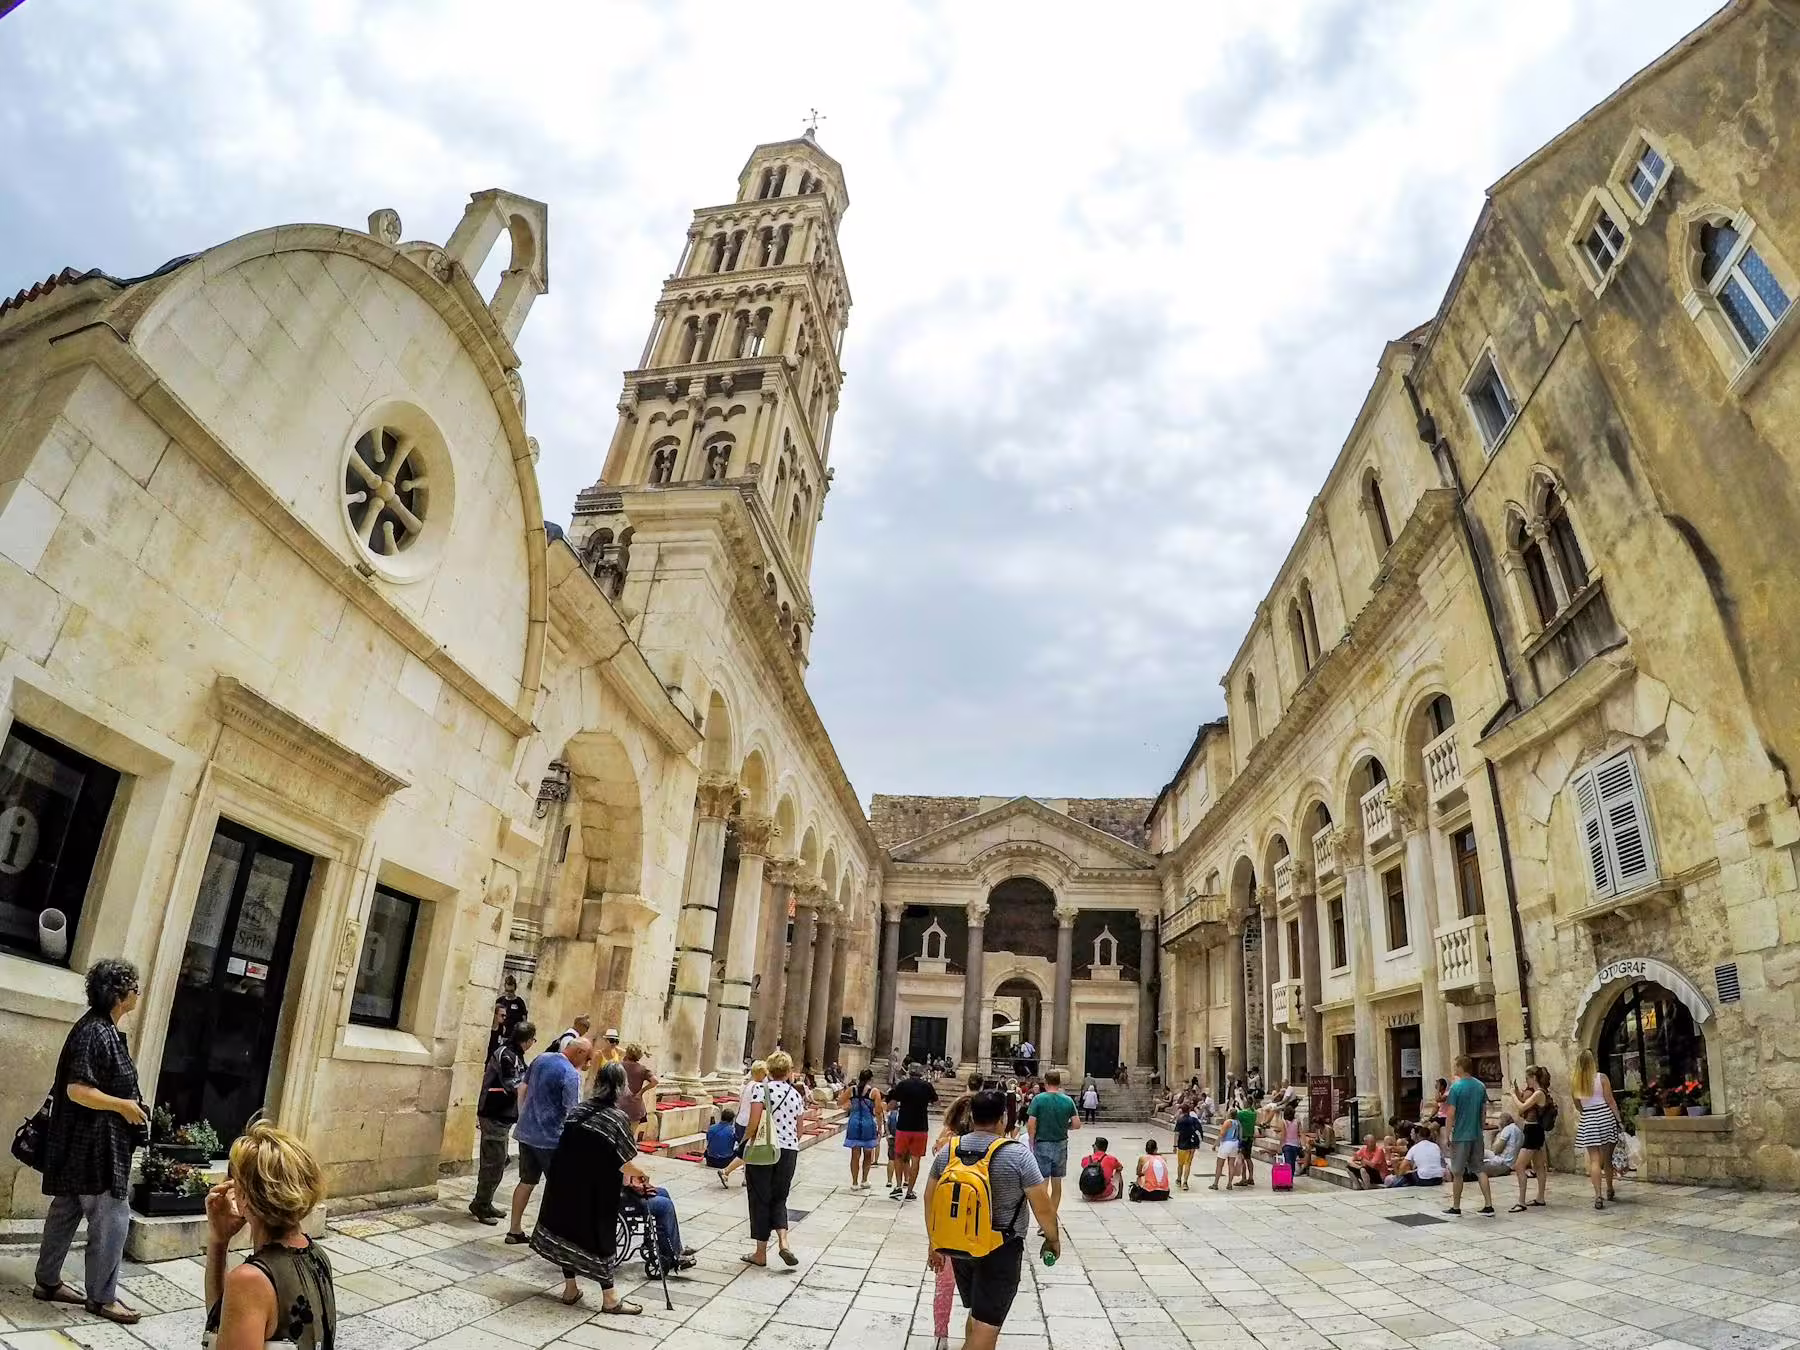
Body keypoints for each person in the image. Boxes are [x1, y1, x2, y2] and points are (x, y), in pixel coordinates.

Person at [34, 958, 147, 1325]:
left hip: (81, 1143)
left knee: (65, 1210)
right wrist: (125, 1107)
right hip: (94, 1145)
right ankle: (102, 1298)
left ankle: (48, 1282)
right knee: (112, 1219)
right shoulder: (95, 1032)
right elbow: (77, 1090)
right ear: (118, 994)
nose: (137, 993)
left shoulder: (100, 1030)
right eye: (133, 987)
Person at [531, 1061, 692, 1314]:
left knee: (565, 1234)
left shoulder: (577, 1111)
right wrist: (642, 1174)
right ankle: (610, 1299)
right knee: (600, 1239)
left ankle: (570, 1289)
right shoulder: (617, 1119)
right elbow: (624, 1163)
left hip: (563, 1187)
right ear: (620, 1088)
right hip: (595, 1193)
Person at [923, 1089, 1061, 1350]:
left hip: (958, 1246)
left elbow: (930, 1199)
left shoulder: (950, 1150)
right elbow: (1042, 1206)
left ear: (972, 1117)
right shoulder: (1017, 1155)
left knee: (977, 1314)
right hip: (1000, 1249)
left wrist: (934, 1243)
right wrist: (1053, 1239)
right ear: (1003, 1118)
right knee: (987, 1325)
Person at [202, 1120, 334, 1348]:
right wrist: (219, 1241)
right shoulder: (317, 1256)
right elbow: (224, 1321)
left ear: (243, 1197)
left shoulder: (250, 1281)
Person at [505, 1035, 592, 1243]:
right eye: (587, 1058)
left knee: (526, 1181)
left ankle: (514, 1230)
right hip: (550, 1139)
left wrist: (523, 1116)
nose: (587, 1064)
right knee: (559, 1188)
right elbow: (573, 1112)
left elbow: (523, 1088)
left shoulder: (541, 1058)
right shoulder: (570, 1074)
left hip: (526, 1132)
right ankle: (550, 1236)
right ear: (579, 1052)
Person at [742, 1050, 806, 1268]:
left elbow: (754, 1121)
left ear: (768, 1070)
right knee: (780, 1198)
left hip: (764, 1149)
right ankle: (783, 1242)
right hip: (789, 1150)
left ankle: (760, 1253)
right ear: (788, 1072)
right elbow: (799, 1129)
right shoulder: (796, 1095)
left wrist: (744, 1142)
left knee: (760, 1197)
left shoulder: (761, 1089)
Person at [471, 1019, 535, 1223]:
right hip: (494, 1114)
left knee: (498, 1160)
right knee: (494, 1162)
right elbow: (513, 1085)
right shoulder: (506, 1055)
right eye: (533, 1039)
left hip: (501, 1116)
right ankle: (480, 1205)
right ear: (526, 1040)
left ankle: (485, 1201)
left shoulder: (514, 1054)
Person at [1443, 1055, 1494, 1216]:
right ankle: (1488, 1205)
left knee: (1458, 1172)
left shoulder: (1456, 1088)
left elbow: (1451, 1114)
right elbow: (1483, 1111)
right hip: (1476, 1134)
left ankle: (1456, 1207)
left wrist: (1447, 1135)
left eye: (1455, 1065)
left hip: (1461, 1135)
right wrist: (1480, 1128)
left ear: (1460, 1067)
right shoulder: (1480, 1086)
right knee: (1479, 1169)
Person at [1572, 1047, 1621, 1210]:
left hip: (1589, 1119)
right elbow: (1611, 1101)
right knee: (1607, 1157)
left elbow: (1578, 1106)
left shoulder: (1576, 1082)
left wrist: (1588, 1112)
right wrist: (1619, 1120)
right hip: (1605, 1116)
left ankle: (1597, 1195)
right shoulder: (1601, 1078)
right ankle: (1609, 1188)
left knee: (1594, 1159)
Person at [1025, 1069, 1078, 1209]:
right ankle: (1053, 1215)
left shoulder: (1039, 1099)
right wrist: (1065, 1127)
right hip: (1061, 1143)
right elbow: (1077, 1124)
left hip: (1042, 1143)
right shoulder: (1067, 1100)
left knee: (1043, 1183)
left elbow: (1031, 1123)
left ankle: (1045, 1221)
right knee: (1057, 1183)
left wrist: (1031, 1140)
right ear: (1059, 1082)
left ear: (1045, 1082)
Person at [888, 1061, 939, 1201]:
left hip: (903, 1125)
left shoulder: (903, 1085)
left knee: (898, 1156)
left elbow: (892, 1104)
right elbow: (936, 1102)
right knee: (916, 1159)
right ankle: (910, 1191)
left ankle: (898, 1186)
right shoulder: (927, 1086)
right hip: (921, 1127)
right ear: (921, 1072)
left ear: (909, 1071)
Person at [1506, 1065, 1552, 1211]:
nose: (1526, 1081)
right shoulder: (1537, 1093)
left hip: (1533, 1131)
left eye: (1527, 1078)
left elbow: (1522, 1107)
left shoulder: (1539, 1093)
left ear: (1533, 1078)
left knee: (1519, 1166)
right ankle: (1540, 1198)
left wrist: (1513, 1095)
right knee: (1538, 1166)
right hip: (1533, 1130)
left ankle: (1521, 1202)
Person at [721, 1060, 767, 1185]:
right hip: (749, 1122)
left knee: (748, 1151)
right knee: (747, 1152)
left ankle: (747, 1178)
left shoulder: (747, 1085)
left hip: (740, 1120)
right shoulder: (758, 1087)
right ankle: (726, 1171)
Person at [840, 1068, 884, 1191]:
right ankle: (864, 1179)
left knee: (855, 1154)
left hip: (854, 1122)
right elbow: (879, 1112)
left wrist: (850, 1104)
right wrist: (880, 1128)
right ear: (871, 1079)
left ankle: (854, 1182)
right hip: (868, 1123)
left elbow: (840, 1102)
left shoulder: (852, 1089)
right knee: (868, 1153)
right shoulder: (874, 1092)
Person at [619, 1043, 658, 1141]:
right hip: (634, 1105)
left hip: (619, 1103)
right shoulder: (642, 1069)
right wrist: (641, 1092)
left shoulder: (618, 1066)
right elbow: (655, 1081)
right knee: (630, 1135)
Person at [489, 974, 528, 1061]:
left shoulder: (519, 1002)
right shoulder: (500, 1000)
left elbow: (524, 1021)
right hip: (499, 1036)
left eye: (511, 991)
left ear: (515, 989)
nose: (509, 993)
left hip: (513, 1038)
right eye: (507, 991)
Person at [1080, 1136, 1125, 1200]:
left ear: (1095, 1147)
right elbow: (1120, 1168)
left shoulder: (1086, 1159)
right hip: (1106, 1195)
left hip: (1087, 1195)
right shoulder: (1111, 1159)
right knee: (1118, 1171)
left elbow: (1083, 1166)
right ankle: (1118, 1195)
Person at [1484, 1111, 1523, 1178]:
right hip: (1512, 1162)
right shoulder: (1518, 1130)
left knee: (1483, 1152)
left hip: (1503, 1161)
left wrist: (1498, 1136)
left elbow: (1497, 1150)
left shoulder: (1507, 1129)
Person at [1173, 1102, 1203, 1190]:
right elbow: (1199, 1131)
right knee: (1188, 1164)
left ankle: (1179, 1179)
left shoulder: (1180, 1120)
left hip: (1182, 1145)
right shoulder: (1194, 1120)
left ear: (1181, 1110)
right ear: (1189, 1110)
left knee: (1180, 1164)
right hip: (1191, 1146)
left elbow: (1176, 1134)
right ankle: (1185, 1182)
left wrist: (1174, 1146)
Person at [705, 1108, 739, 1182]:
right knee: (740, 1153)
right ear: (732, 1120)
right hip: (724, 1162)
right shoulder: (732, 1130)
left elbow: (708, 1139)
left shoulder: (711, 1128)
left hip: (710, 1160)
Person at [1209, 1113, 1241, 1191]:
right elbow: (1240, 1135)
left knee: (1220, 1164)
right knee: (1231, 1164)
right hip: (1235, 1143)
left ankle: (1215, 1184)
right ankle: (1229, 1184)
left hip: (1226, 1143)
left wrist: (1215, 1144)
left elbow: (1222, 1134)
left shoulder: (1227, 1122)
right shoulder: (1238, 1123)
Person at [1233, 1097, 1258, 1187]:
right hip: (1250, 1138)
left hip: (1242, 1138)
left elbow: (1234, 1115)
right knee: (1248, 1158)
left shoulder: (1242, 1113)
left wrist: (1236, 1107)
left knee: (1242, 1158)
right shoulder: (1254, 1113)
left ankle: (1243, 1179)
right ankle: (1251, 1177)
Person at [1280, 1101, 1303, 1171]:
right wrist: (1302, 1144)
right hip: (1295, 1145)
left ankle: (1288, 1178)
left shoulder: (1284, 1122)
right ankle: (1291, 1177)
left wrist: (1280, 1145)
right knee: (1292, 1162)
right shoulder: (1298, 1122)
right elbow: (1301, 1133)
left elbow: (1283, 1135)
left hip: (1287, 1145)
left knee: (1288, 1162)